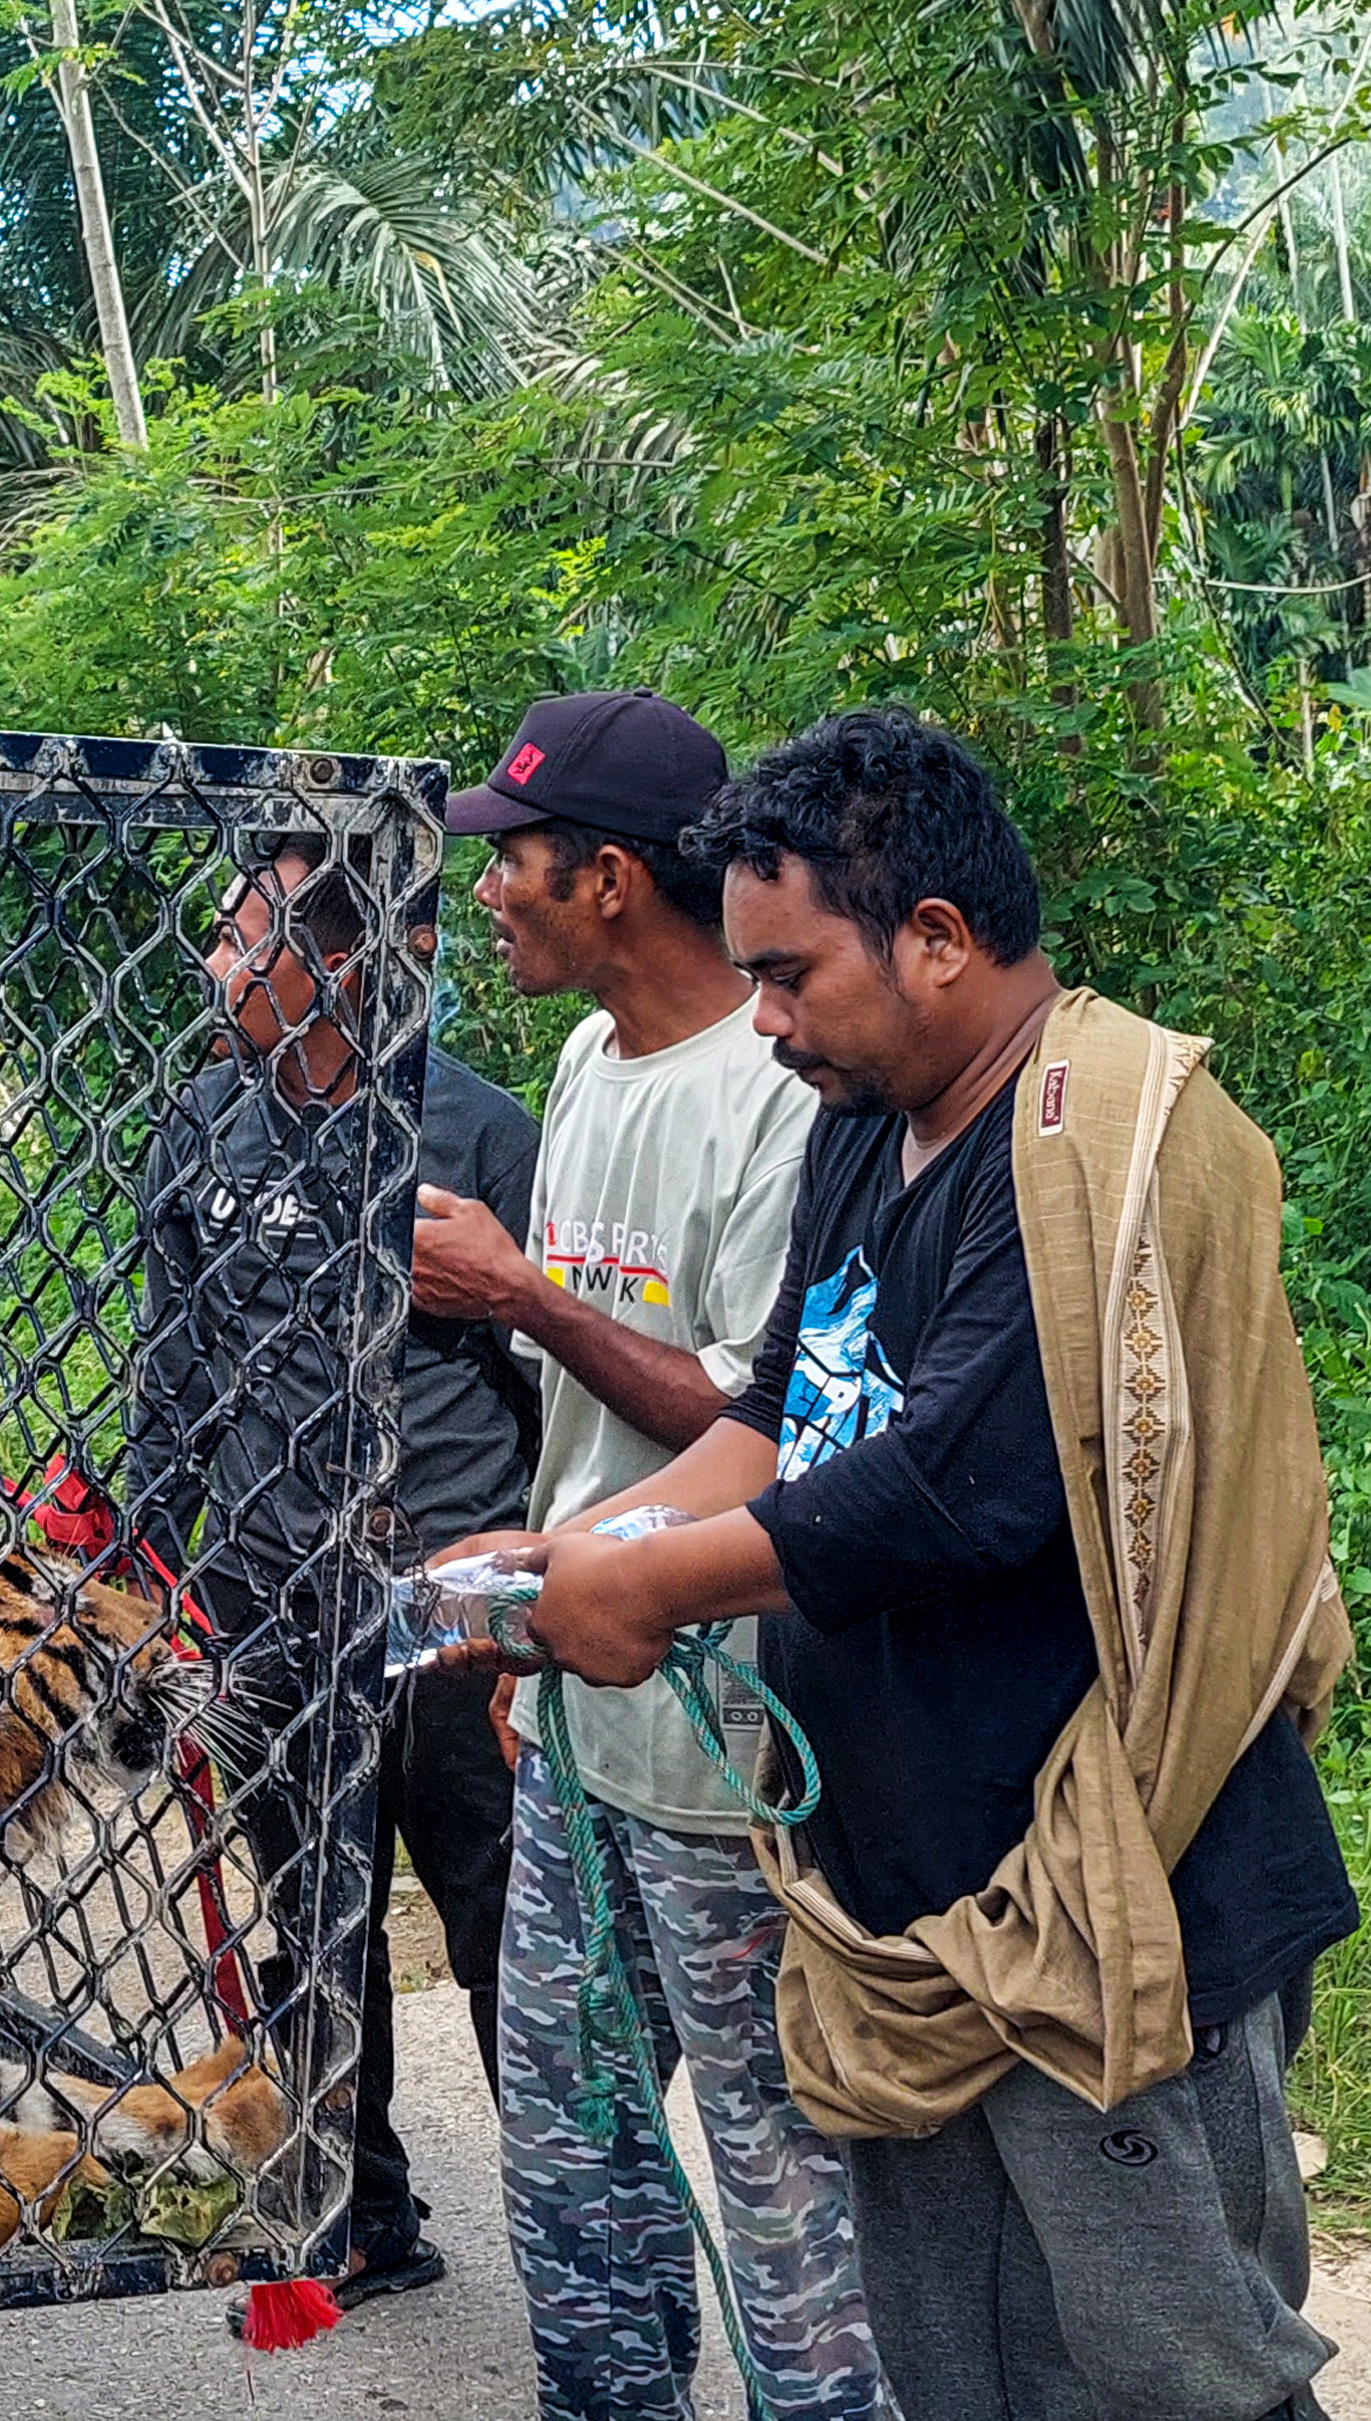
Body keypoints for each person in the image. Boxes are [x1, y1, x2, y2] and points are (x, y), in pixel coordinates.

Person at [517, 709, 1356, 2421]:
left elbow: (952, 1491)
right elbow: (782, 1414)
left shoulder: (1091, 1145)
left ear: (939, 939)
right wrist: (569, 1554)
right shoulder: (862, 1116)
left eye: (788, 975)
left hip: (1109, 1905)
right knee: (955, 2371)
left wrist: (650, 1592)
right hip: (906, 1908)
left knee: (1180, 2379)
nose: (763, 1019)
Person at [407, 691, 884, 2420]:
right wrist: (539, 1617)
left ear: (607, 877)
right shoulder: (585, 1066)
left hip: (731, 1736)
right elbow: (591, 1426)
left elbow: (771, 1424)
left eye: (513, 859)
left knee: (777, 2167)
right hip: (580, 1707)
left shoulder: (784, 1089)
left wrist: (521, 1294)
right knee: (569, 2146)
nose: (488, 892)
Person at [130, 833, 541, 2315]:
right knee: (314, 1911)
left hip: (445, 1593)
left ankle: (575, 2226)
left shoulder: (478, 1136)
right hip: (263, 1588)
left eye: (247, 938)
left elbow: (550, 1383)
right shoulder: (204, 1123)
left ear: (345, 963)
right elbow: (175, 1364)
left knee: (499, 1912)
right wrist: (147, 1567)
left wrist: (536, 1591)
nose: (216, 965)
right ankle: (361, 2210)